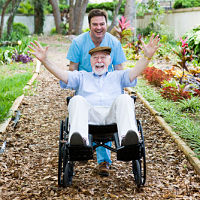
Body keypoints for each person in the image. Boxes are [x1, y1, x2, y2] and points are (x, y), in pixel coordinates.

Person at [28, 34, 160, 177]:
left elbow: (134, 72)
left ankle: (127, 139)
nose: (99, 61)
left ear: (109, 61)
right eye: (95, 58)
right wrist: (45, 60)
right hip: (88, 118)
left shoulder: (118, 76)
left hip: (113, 118)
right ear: (90, 61)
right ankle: (79, 141)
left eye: (103, 57)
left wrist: (147, 57)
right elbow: (62, 75)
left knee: (125, 98)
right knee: (76, 99)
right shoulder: (82, 76)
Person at [60, 9, 127, 175]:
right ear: (89, 25)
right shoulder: (79, 43)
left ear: (106, 24)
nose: (99, 27)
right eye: (95, 24)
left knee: (106, 109)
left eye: (102, 24)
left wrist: (121, 95)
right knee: (81, 105)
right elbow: (73, 68)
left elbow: (119, 70)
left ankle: (104, 161)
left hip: (105, 85)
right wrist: (74, 89)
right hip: (84, 85)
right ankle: (80, 145)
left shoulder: (114, 43)